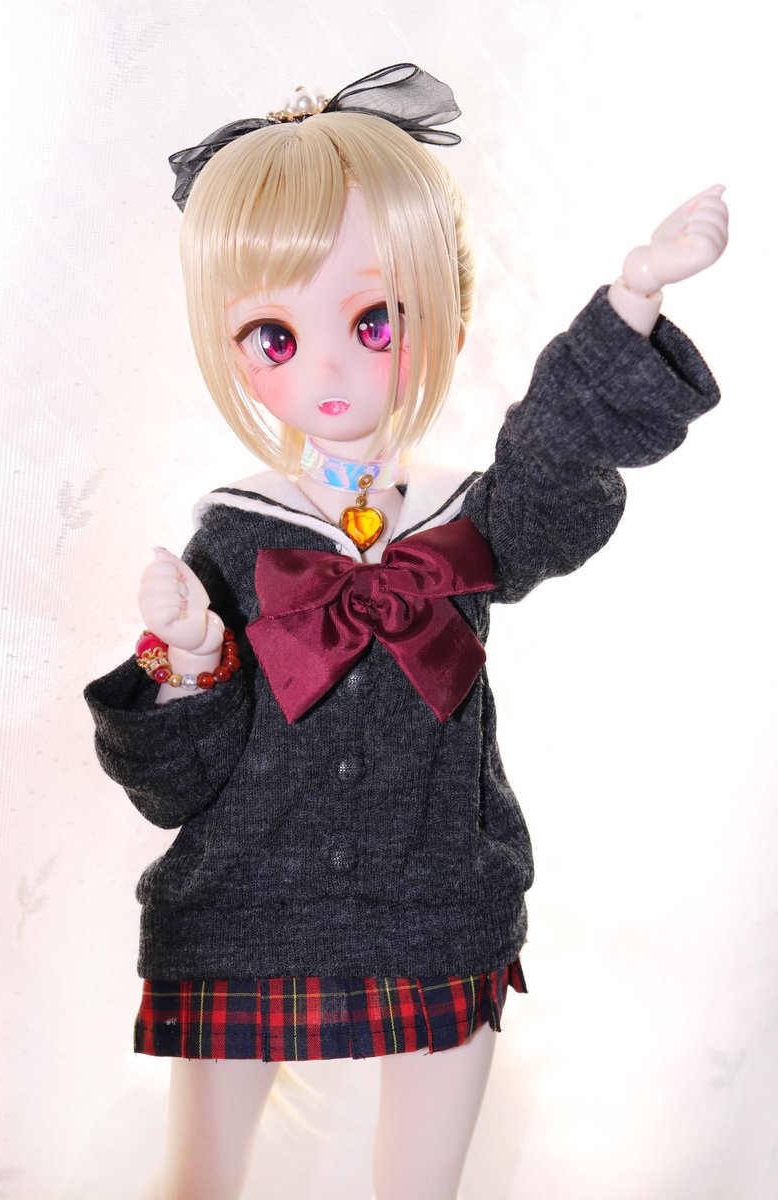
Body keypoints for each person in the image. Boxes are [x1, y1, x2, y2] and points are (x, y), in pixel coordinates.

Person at [84, 64, 729, 1200]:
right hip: (242, 907)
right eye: (273, 336)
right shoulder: (238, 534)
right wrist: (188, 661)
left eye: (373, 319)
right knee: (196, 1180)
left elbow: (549, 481)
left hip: (439, 908)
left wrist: (631, 299)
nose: (330, 367)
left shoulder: (462, 520)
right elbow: (173, 786)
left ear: (442, 310)